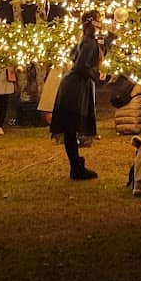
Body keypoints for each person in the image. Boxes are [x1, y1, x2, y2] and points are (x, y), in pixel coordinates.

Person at [50, 10, 106, 180]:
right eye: (99, 20)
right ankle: (76, 167)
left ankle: (76, 164)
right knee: (71, 127)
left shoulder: (86, 40)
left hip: (74, 86)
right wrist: (97, 75)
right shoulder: (88, 43)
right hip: (75, 88)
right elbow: (81, 66)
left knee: (71, 128)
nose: (101, 23)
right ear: (93, 23)